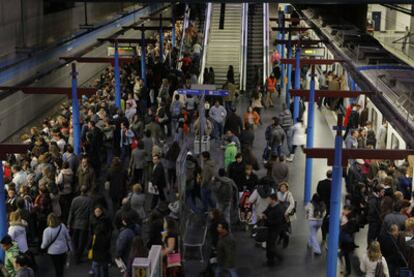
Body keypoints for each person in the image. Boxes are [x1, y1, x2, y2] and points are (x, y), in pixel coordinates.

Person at [67, 185, 92, 264]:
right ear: (87, 191)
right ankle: (78, 255)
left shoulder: (75, 200)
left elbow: (71, 212)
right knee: (82, 241)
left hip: (75, 223)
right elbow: (90, 214)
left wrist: (69, 223)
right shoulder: (90, 201)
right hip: (84, 224)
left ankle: (75, 254)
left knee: (74, 240)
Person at [41, 213, 72, 277]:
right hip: (63, 249)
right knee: (61, 266)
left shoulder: (46, 231)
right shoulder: (62, 226)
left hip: (53, 252)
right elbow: (68, 237)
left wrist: (42, 247)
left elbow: (45, 244)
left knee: (56, 266)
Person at [261, 193, 286, 267]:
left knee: (271, 245)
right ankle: (271, 259)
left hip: (275, 230)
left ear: (273, 200)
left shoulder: (279, 209)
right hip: (269, 228)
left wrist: (266, 219)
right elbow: (266, 211)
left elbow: (277, 222)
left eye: (268, 199)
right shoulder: (270, 206)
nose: (267, 200)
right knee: (269, 245)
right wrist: (263, 214)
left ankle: (275, 258)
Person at [317, 170, 332, 243]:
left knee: (322, 218)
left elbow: (318, 191)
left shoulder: (320, 183)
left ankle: (323, 237)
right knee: (328, 220)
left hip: (322, 204)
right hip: (329, 205)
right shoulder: (333, 184)